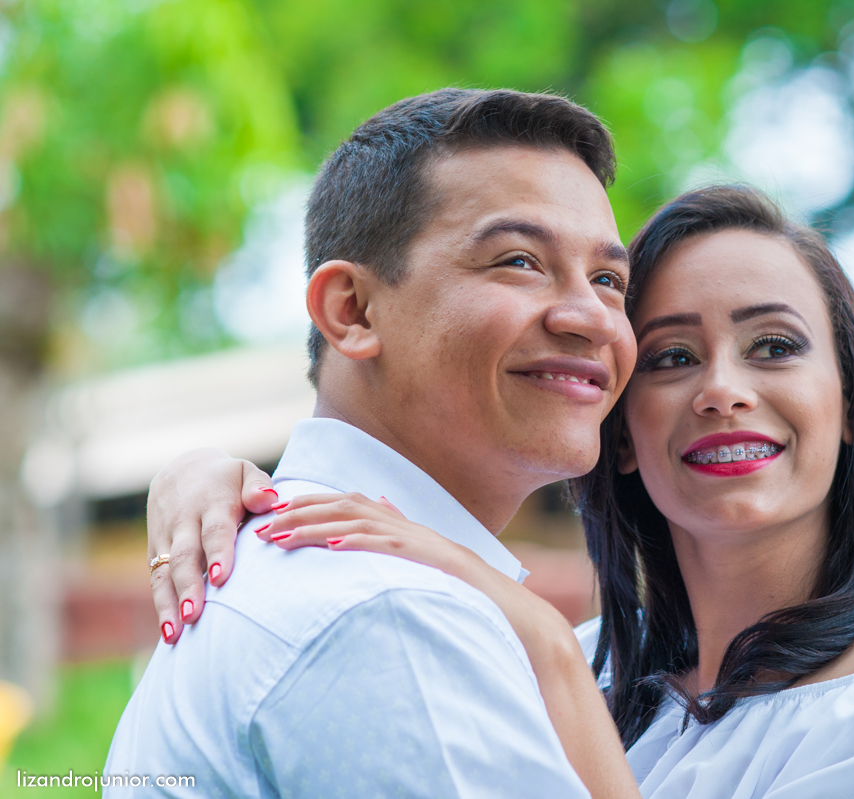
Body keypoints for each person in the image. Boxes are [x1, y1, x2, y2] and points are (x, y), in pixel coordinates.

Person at [147, 185, 854, 796]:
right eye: (673, 356)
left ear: (851, 404)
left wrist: (544, 645)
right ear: (621, 431)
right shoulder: (576, 661)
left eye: (774, 347)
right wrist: (221, 477)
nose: (723, 390)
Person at [106, 88, 644, 798]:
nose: (592, 318)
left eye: (608, 280)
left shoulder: (331, 575)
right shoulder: (390, 611)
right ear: (353, 310)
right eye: (519, 261)